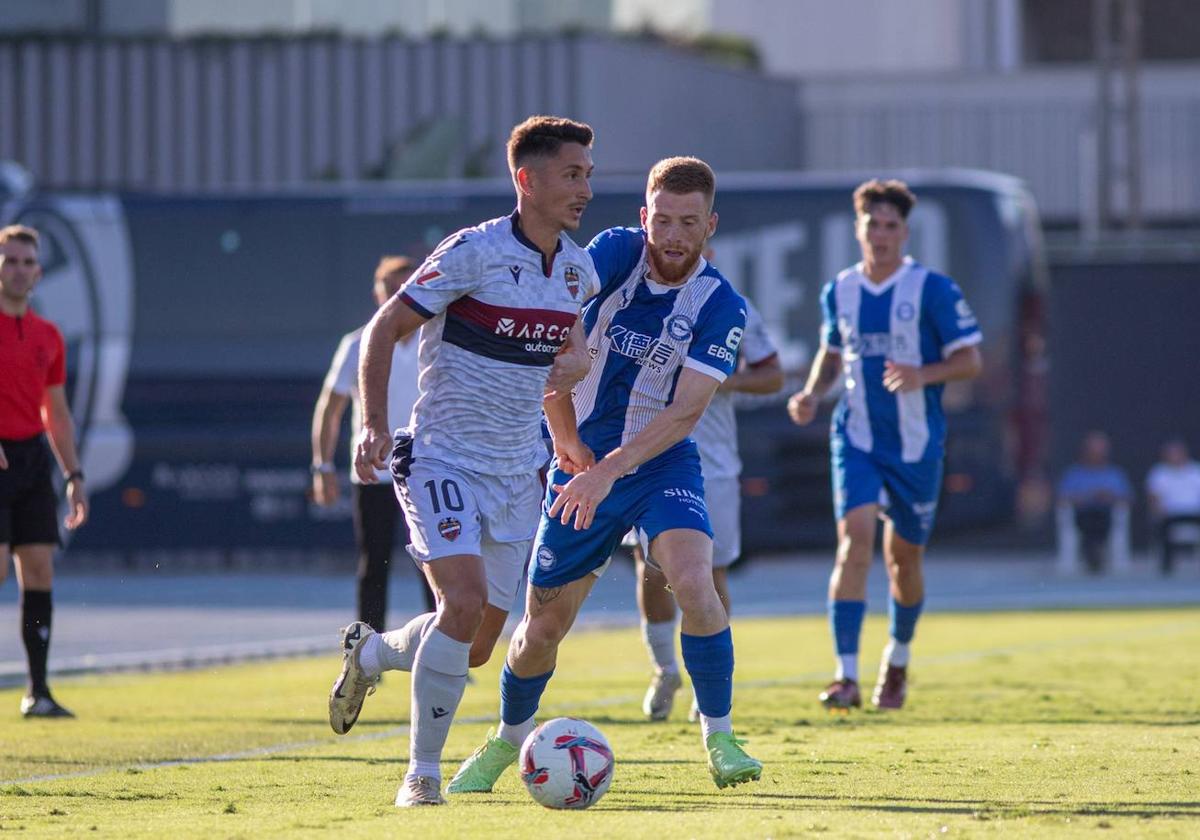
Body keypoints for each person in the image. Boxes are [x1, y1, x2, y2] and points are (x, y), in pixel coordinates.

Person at [448, 156, 764, 795]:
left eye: (689, 223)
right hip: (579, 461)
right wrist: (567, 442)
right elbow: (552, 314)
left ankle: (720, 735)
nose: (673, 236)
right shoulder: (617, 253)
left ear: (711, 226)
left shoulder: (722, 304)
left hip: (657, 463)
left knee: (696, 583)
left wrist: (607, 474)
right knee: (541, 632)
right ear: (644, 216)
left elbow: (686, 413)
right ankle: (508, 739)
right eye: (664, 220)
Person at [326, 115, 599, 807]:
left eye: (588, 175)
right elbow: (384, 330)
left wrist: (576, 364)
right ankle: (419, 775)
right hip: (440, 457)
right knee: (463, 601)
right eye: (572, 174)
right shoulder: (472, 253)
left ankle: (374, 653)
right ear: (527, 179)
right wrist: (372, 427)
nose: (584, 190)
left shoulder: (577, 269)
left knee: (477, 645)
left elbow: (568, 354)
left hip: (517, 472)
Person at [787, 179, 982, 712]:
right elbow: (833, 356)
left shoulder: (933, 289)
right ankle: (845, 676)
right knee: (854, 542)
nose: (881, 234)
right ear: (859, 229)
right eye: (872, 224)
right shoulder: (841, 290)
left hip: (917, 446)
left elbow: (970, 359)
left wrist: (925, 373)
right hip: (857, 438)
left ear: (905, 232)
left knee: (905, 561)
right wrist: (809, 394)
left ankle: (896, 661)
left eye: (891, 225)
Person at [637, 273, 783, 722]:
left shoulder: (731, 303)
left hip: (711, 462)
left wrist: (725, 381)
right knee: (648, 570)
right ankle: (665, 669)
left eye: (691, 227)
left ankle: (708, 687)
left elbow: (772, 375)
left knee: (709, 572)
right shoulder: (636, 296)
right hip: (648, 453)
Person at [311, 255, 436, 630]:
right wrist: (322, 466)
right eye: (391, 287)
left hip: (428, 469)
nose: (399, 294)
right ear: (377, 293)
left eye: (406, 286)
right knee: (374, 563)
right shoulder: (357, 343)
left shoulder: (438, 338)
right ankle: (366, 653)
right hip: (375, 472)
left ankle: (443, 650)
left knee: (437, 564)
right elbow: (329, 408)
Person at [0, 224, 89, 718]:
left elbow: (54, 413)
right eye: (10, 260)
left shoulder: (48, 336)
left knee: (38, 569)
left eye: (26, 262)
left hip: (31, 460)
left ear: (37, 272)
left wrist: (74, 476)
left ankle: (38, 692)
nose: (18, 270)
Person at [1057, 430, 1133, 575]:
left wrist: (1109, 497)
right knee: (1087, 520)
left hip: (1106, 515)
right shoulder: (1074, 473)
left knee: (1104, 518)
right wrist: (1086, 497)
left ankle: (1095, 552)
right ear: (1085, 451)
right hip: (1082, 515)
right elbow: (1062, 498)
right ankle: (1093, 552)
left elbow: (1127, 498)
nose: (1096, 454)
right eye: (1093, 450)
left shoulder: (1114, 474)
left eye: (1100, 450)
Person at [1146, 438, 1200, 575]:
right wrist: (1157, 509)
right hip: (1170, 514)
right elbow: (1153, 496)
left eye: (1177, 453)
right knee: (1163, 525)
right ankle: (1167, 565)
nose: (1174, 457)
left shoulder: (1195, 471)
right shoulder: (1159, 473)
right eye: (1171, 453)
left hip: (1194, 512)